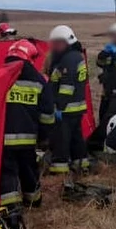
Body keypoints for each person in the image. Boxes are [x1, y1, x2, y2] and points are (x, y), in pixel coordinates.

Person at [0, 39, 55, 211]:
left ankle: (10, 208)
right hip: (28, 139)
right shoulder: (38, 81)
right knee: (29, 170)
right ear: (29, 57)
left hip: (3, 139)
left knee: (7, 172)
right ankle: (33, 201)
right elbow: (47, 115)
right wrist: (44, 138)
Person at [46, 25, 90, 174]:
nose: (54, 47)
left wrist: (58, 106)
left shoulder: (69, 59)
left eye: (57, 43)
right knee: (76, 137)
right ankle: (81, 163)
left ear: (65, 42)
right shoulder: (76, 56)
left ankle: (60, 169)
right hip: (76, 108)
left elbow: (67, 87)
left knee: (62, 140)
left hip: (66, 108)